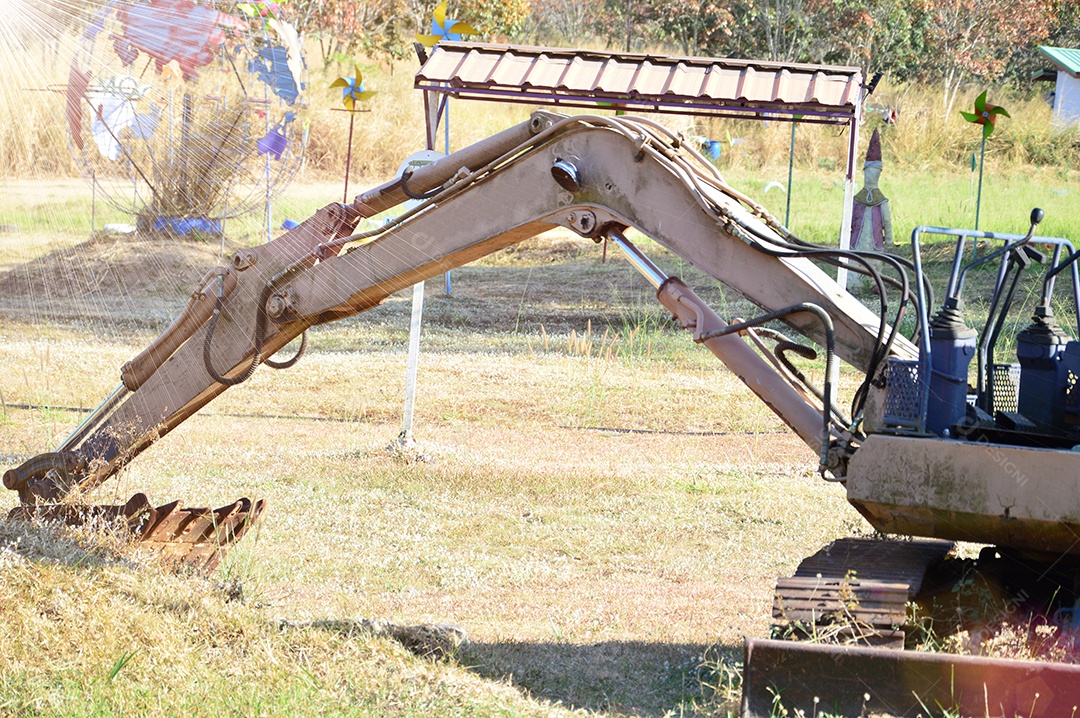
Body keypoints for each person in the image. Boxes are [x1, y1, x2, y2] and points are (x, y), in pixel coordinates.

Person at [848, 129, 892, 251]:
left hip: (871, 246)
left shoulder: (879, 201)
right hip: (858, 245)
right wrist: (888, 240)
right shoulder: (858, 200)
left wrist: (888, 239)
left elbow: (886, 221)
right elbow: (887, 222)